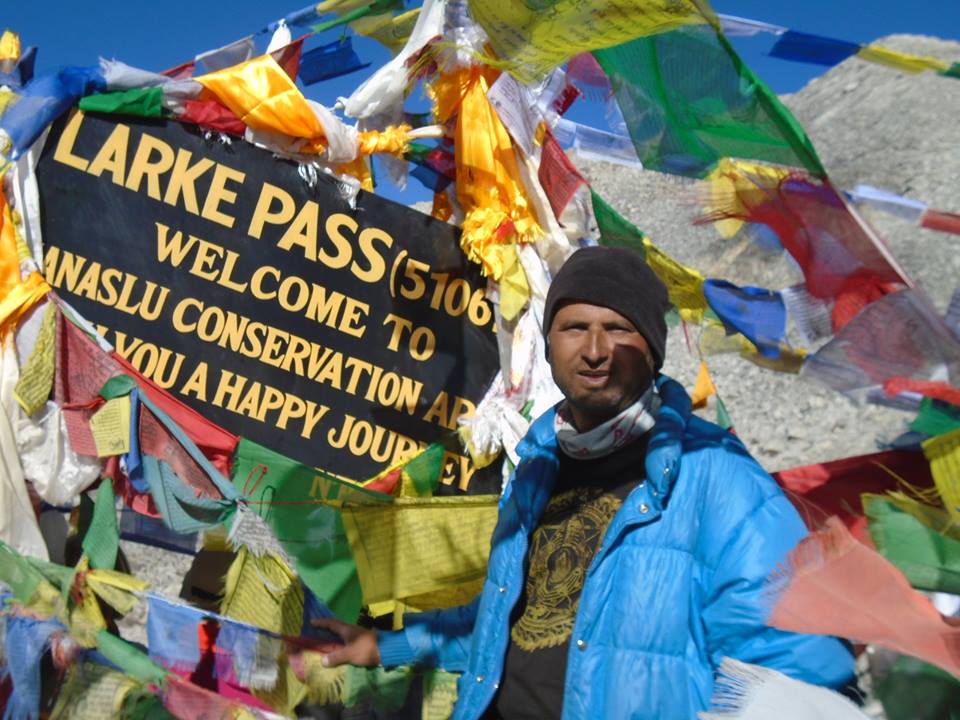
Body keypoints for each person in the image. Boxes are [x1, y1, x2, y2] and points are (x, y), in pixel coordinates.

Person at [314, 246, 855, 718]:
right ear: (549, 345)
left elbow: (793, 666)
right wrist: (385, 647)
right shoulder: (537, 470)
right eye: (574, 328)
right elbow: (510, 621)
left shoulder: (717, 478)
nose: (594, 350)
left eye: (618, 329)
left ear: (652, 351)